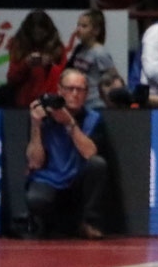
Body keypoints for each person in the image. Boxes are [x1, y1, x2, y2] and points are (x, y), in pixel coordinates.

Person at [25, 69, 108, 239]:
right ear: (59, 90)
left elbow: (90, 153)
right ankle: (49, 225)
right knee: (36, 200)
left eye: (80, 90)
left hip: (77, 181)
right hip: (49, 179)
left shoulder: (93, 118)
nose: (75, 94)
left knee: (98, 164)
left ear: (86, 94)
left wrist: (69, 123)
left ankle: (88, 223)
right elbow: (35, 162)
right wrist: (35, 125)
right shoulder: (43, 117)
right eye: (70, 89)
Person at [5, 10, 66, 108]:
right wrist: (25, 64)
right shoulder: (19, 46)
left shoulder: (57, 48)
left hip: (52, 103)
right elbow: (11, 78)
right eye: (34, 31)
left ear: (47, 30)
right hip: (25, 104)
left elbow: (64, 78)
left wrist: (50, 65)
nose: (38, 33)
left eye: (41, 30)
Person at [65, 10, 118, 111]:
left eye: (84, 26)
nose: (78, 30)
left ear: (96, 31)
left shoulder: (100, 53)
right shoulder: (79, 49)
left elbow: (113, 77)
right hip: (80, 102)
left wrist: (109, 100)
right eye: (78, 25)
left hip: (95, 103)